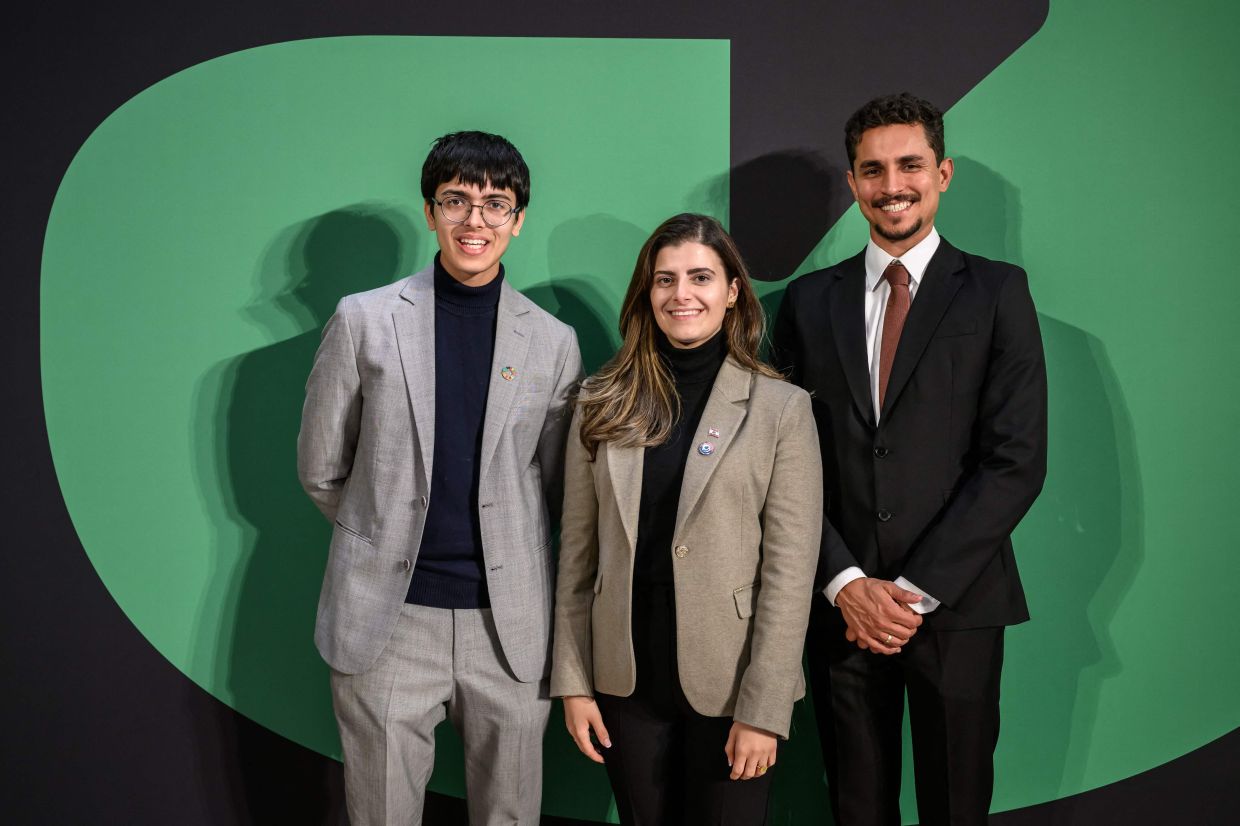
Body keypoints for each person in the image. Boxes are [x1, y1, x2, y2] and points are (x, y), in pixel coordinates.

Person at [772, 93, 1048, 825]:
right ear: (854, 181)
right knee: (856, 807)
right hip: (842, 610)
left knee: (957, 806)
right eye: (873, 169)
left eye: (910, 165)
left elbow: (1016, 460)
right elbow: (781, 463)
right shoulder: (805, 302)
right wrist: (846, 583)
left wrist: (914, 593)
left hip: (956, 607)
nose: (892, 184)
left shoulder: (997, 292)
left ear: (943, 173)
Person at [297, 130, 583, 825]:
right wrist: (387, 533)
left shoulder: (554, 342)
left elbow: (558, 490)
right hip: (386, 624)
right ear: (430, 212)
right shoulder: (362, 320)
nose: (474, 220)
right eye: (456, 200)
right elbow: (320, 469)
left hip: (509, 627)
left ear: (518, 220)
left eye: (494, 203)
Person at [552, 213, 822, 825]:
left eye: (700, 277)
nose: (682, 295)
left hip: (733, 689)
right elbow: (576, 555)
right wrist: (572, 681)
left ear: (732, 292)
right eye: (664, 279)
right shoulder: (601, 401)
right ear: (647, 294)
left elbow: (789, 574)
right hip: (623, 683)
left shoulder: (783, 409)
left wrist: (764, 709)